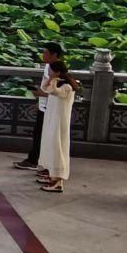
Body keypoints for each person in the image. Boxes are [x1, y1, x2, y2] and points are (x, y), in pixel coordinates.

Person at [15, 42, 65, 173]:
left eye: (46, 52)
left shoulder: (57, 68)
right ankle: (37, 161)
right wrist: (40, 100)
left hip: (52, 108)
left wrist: (39, 93)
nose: (43, 55)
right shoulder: (49, 66)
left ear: (54, 55)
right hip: (45, 106)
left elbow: (58, 90)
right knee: (39, 135)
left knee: (43, 136)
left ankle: (37, 162)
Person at [38, 61, 77, 193]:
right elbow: (45, 88)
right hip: (52, 120)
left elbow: (54, 91)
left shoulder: (67, 87)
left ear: (58, 72)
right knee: (50, 147)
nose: (49, 73)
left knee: (58, 148)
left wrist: (53, 79)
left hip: (60, 122)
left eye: (51, 71)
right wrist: (50, 79)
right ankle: (51, 175)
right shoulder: (60, 83)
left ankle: (58, 181)